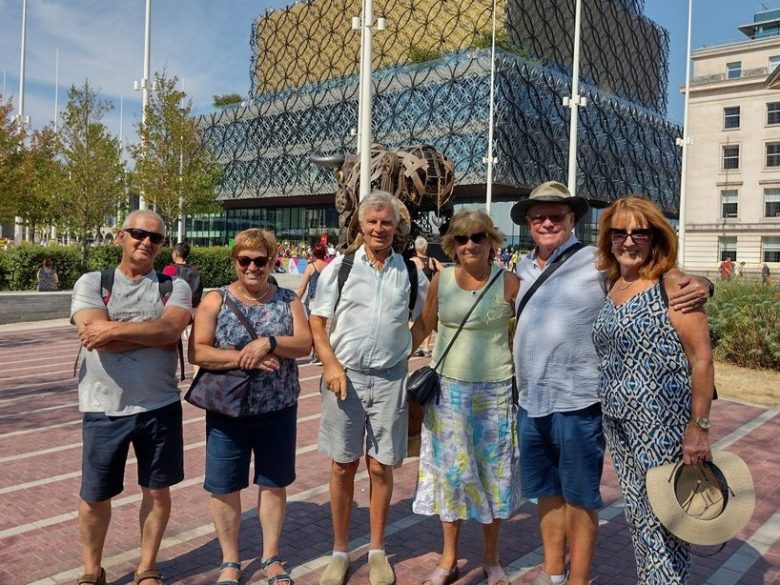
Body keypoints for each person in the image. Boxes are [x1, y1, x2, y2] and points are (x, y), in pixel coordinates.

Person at [509, 181, 711, 585]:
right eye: (539, 217)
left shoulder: (595, 262)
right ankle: (552, 574)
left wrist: (705, 284)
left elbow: (669, 286)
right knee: (552, 493)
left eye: (557, 216)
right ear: (529, 224)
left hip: (589, 405)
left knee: (611, 502)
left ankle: (579, 580)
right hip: (537, 404)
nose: (547, 223)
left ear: (572, 221)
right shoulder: (521, 269)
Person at [592, 196, 714, 584]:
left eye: (639, 232)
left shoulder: (672, 286)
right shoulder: (612, 284)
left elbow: (702, 360)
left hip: (661, 425)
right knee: (640, 517)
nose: (629, 241)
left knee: (668, 518)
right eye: (619, 232)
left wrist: (699, 427)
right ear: (608, 238)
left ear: (655, 237)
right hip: (618, 422)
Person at [310, 191, 428, 585]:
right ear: (361, 225)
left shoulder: (410, 273)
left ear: (398, 227)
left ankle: (377, 549)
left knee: (381, 467)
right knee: (343, 466)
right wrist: (330, 364)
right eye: (372, 221)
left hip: (390, 379)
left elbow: (426, 320)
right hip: (345, 378)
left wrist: (402, 352)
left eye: (387, 222)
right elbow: (318, 321)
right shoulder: (340, 268)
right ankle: (340, 551)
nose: (379, 228)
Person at [70, 210, 192, 585]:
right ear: (120, 236)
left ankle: (146, 568)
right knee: (94, 496)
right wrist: (151, 332)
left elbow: (172, 329)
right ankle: (93, 570)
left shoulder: (175, 287)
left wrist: (113, 331)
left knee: (157, 491)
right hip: (103, 406)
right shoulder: (93, 282)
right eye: (138, 233)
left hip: (159, 405)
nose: (146, 242)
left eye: (155, 238)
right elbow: (91, 333)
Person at [188, 228, 312, 585]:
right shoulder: (216, 300)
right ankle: (230, 560)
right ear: (235, 261)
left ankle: (271, 556)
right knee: (224, 486)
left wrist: (270, 342)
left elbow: (303, 344)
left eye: (261, 260)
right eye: (245, 260)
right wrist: (250, 357)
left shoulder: (288, 300)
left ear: (272, 261)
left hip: (278, 408)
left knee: (273, 483)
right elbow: (199, 351)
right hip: (228, 411)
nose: (253, 267)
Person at [410, 210, 522, 585]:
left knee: (494, 475)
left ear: (492, 241)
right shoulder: (441, 280)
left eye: (477, 237)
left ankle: (491, 559)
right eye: (461, 239)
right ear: (452, 246)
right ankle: (448, 559)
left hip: (496, 390)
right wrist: (392, 358)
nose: (470, 244)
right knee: (452, 475)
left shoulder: (509, 282)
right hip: (449, 391)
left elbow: (525, 334)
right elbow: (425, 324)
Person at [297, 242, 330, 364]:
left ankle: (318, 355)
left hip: (312, 301)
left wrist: (295, 301)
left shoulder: (311, 267)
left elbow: (302, 287)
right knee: (321, 327)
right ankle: (321, 354)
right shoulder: (328, 266)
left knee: (313, 328)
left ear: (314, 253)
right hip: (325, 301)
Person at [410, 236, 443, 357]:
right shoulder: (432, 261)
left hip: (415, 294)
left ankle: (411, 344)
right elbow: (443, 271)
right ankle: (426, 347)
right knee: (427, 319)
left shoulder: (412, 261)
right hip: (429, 294)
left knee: (412, 320)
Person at [163, 241, 204, 307]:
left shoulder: (169, 269)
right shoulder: (195, 270)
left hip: (173, 308)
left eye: (172, 252)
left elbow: (164, 292)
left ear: (176, 253)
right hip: (192, 308)